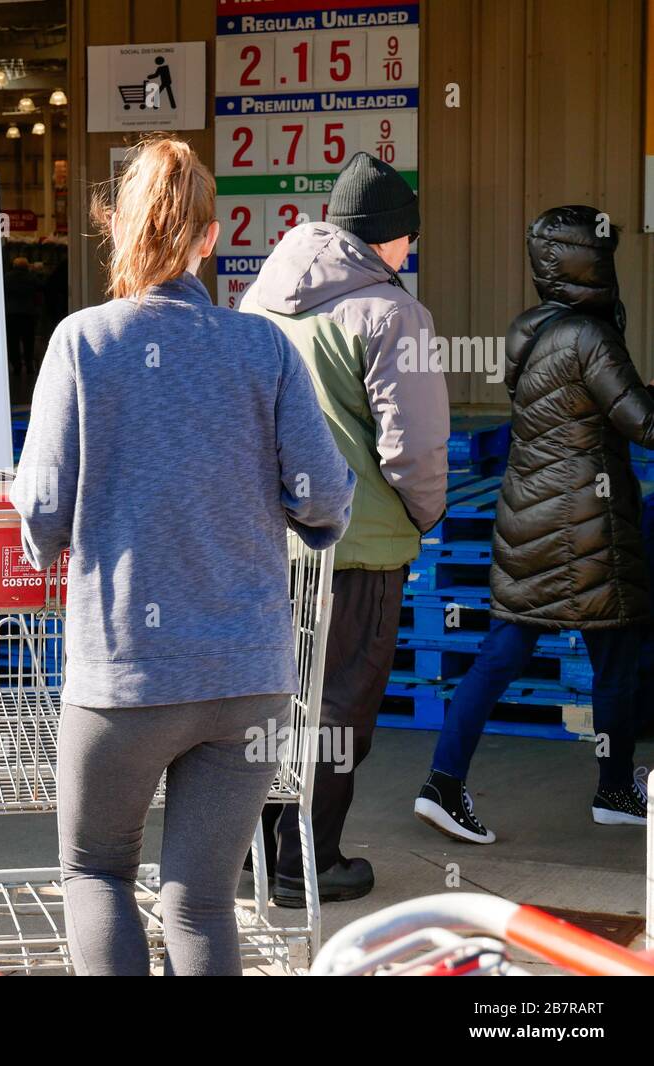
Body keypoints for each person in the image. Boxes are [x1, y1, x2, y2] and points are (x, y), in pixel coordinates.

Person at [10, 137, 355, 976]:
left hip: (127, 675)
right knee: (201, 900)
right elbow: (324, 493)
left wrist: (55, 536)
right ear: (210, 238)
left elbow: (44, 509)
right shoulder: (263, 349)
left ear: (118, 232)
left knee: (96, 873)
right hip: (248, 675)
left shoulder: (83, 343)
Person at [240, 151, 449, 905]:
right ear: (385, 239)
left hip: (268, 544)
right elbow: (415, 448)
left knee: (270, 699)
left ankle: (249, 854)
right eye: (406, 239)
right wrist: (423, 515)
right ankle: (307, 862)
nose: (408, 252)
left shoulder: (257, 304)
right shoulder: (396, 314)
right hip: (359, 550)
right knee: (339, 709)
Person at [414, 205, 654, 842]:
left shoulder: (531, 329)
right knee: (617, 660)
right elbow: (642, 422)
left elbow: (570, 413)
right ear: (584, 262)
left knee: (504, 654)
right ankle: (612, 786)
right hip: (589, 526)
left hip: (532, 517)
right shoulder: (590, 335)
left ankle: (446, 780)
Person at [3, 255, 40, 382]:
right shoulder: (32, 278)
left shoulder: (7, 278)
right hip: (28, 314)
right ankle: (29, 365)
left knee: (12, 341)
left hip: (11, 314)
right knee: (28, 341)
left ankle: (16, 366)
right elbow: (40, 290)